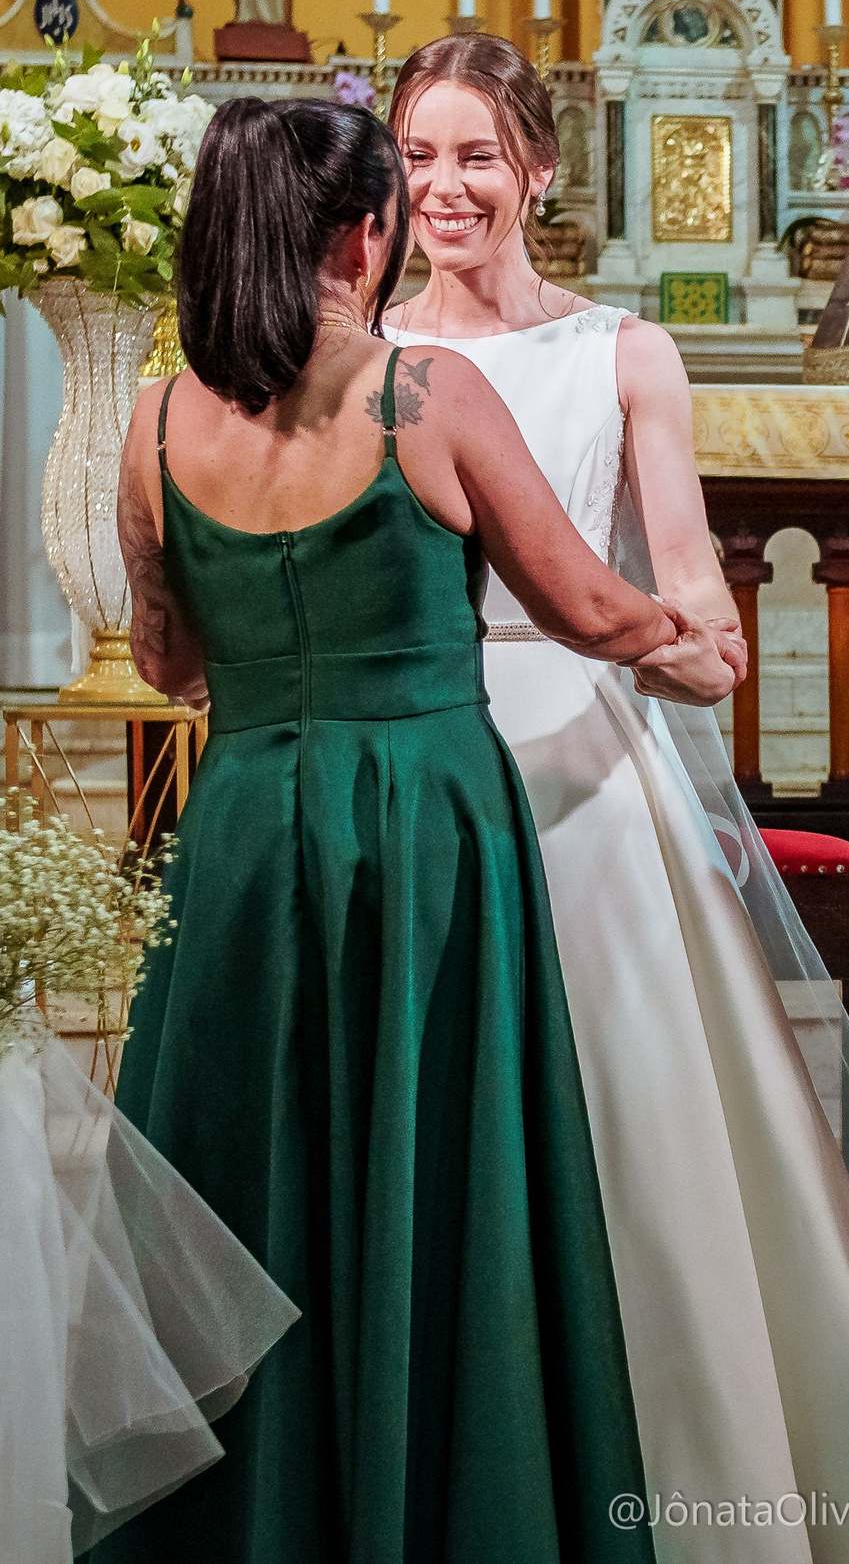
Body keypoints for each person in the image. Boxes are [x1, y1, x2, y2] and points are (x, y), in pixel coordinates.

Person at [99, 96, 724, 1564]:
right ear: (369, 230)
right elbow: (581, 603)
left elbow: (162, 656)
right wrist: (681, 629)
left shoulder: (156, 414)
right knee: (436, 1177)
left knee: (247, 1175)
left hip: (246, 827)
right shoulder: (423, 392)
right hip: (428, 831)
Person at [378, 33, 849, 1564]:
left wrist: (697, 634)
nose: (446, 188)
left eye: (478, 156)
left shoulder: (623, 352)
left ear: (543, 171)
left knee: (631, 1122)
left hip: (581, 760)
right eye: (420, 157)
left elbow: (688, 578)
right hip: (415, 760)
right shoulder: (362, 354)